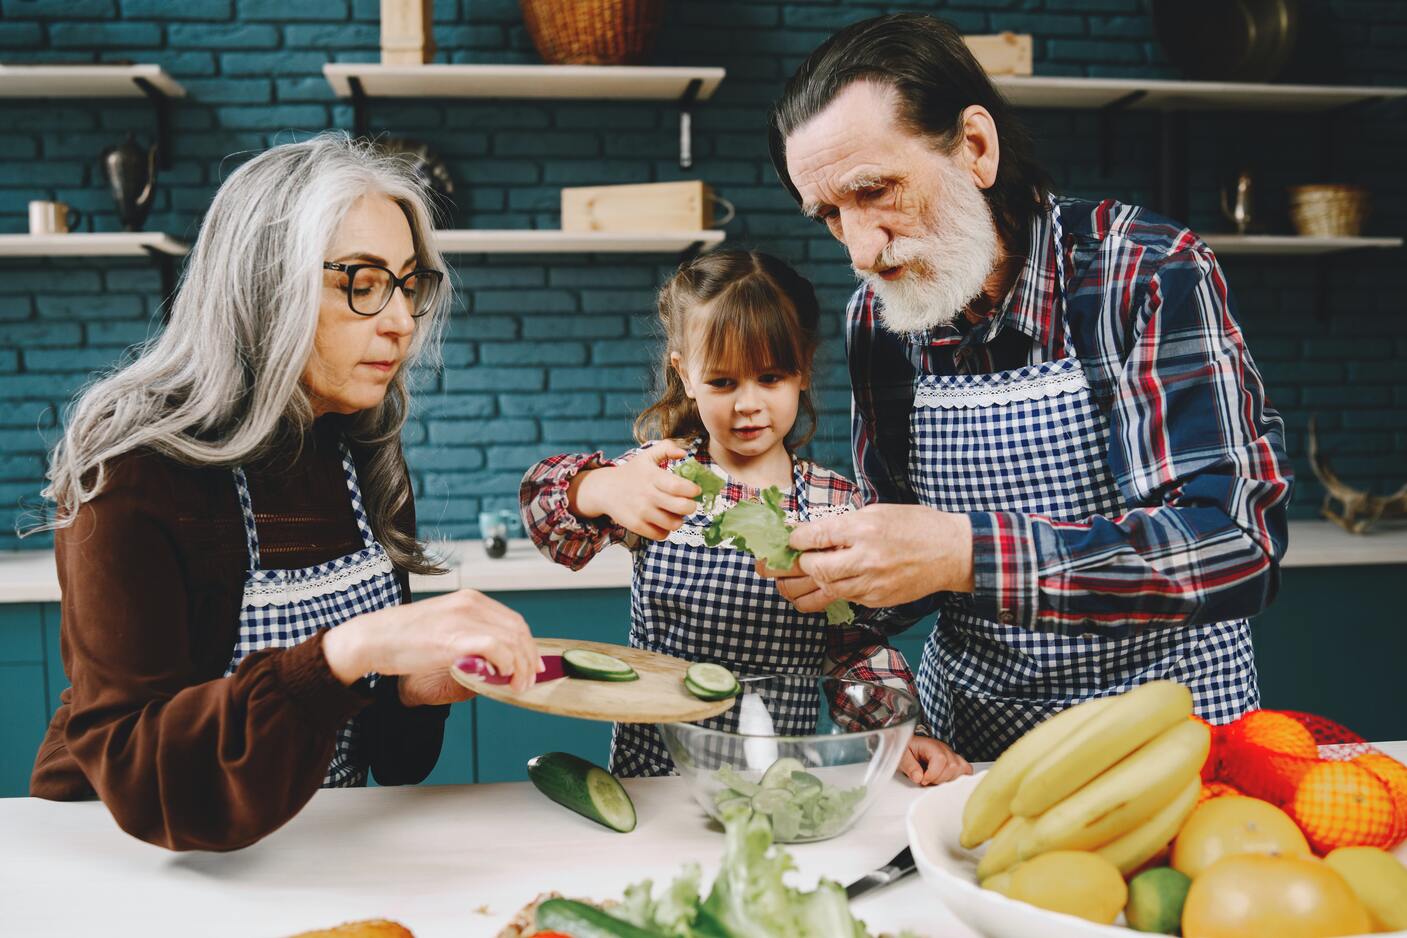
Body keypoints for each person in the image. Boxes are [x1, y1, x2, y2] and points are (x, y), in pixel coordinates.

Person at [761, 14, 1293, 761]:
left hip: (1164, 737)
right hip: (972, 745)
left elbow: (1234, 542)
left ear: (974, 148)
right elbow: (912, 572)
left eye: (874, 191)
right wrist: (846, 577)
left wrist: (964, 552)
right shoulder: (877, 322)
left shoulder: (1141, 273)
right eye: (829, 215)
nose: (859, 250)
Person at [28, 133, 542, 850]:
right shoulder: (134, 471)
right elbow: (139, 772)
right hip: (122, 850)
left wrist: (412, 691)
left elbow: (392, 764)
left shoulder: (361, 450)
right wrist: (349, 649)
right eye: (360, 283)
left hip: (297, 843)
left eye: (407, 283)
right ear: (266, 285)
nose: (400, 321)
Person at [520, 249, 968, 784]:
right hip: (655, 775)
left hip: (775, 778)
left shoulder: (838, 505)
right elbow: (545, 514)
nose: (747, 404)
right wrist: (599, 488)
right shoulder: (660, 479)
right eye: (723, 382)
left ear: (802, 370)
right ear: (686, 376)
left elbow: (854, 648)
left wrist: (898, 732)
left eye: (770, 377)